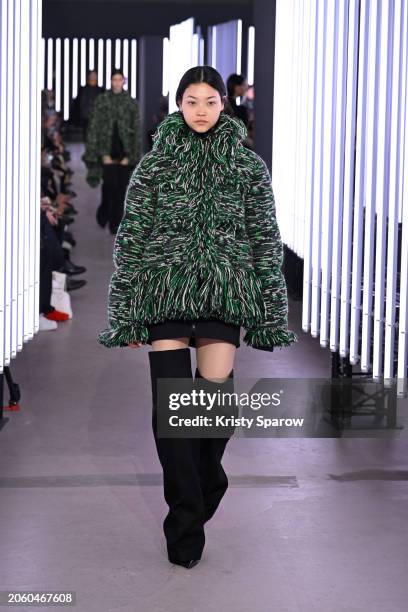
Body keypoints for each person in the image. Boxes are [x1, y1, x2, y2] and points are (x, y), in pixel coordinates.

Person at [98, 65, 298, 569]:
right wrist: (126, 311)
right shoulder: (156, 165)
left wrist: (270, 312)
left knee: (212, 417)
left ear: (223, 104)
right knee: (173, 419)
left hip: (223, 296)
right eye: (192, 101)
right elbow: (133, 239)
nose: (202, 110)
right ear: (178, 104)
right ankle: (185, 520)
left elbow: (263, 239)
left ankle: (208, 482)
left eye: (210, 100)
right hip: (164, 295)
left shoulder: (247, 167)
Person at [83, 69, 141, 234]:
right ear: (110, 81)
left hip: (125, 150)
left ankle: (115, 223)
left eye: (119, 79)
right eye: (114, 79)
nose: (117, 82)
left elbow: (136, 130)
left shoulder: (131, 103)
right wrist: (101, 153)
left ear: (124, 81)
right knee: (109, 186)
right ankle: (103, 213)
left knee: (121, 188)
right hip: (106, 149)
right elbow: (94, 127)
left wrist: (131, 156)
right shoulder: (102, 100)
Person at [72, 70, 104, 139]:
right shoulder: (83, 89)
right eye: (91, 75)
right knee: (87, 136)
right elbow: (79, 104)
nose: (93, 77)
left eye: (94, 75)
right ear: (88, 76)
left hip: (98, 117)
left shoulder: (101, 90)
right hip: (86, 117)